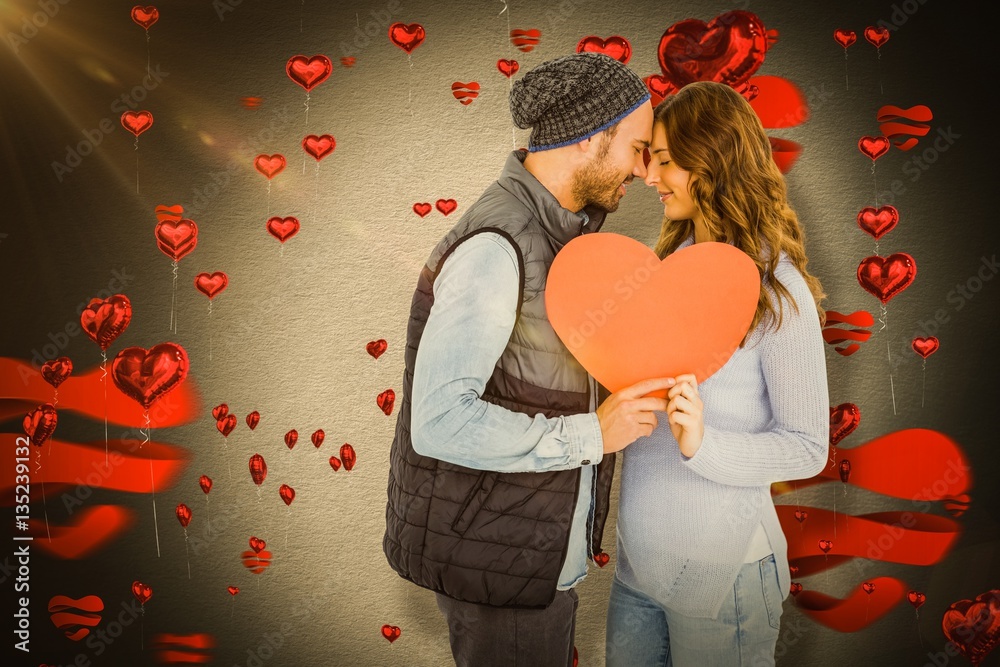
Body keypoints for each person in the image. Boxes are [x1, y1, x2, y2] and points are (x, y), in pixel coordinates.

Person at [383, 52, 674, 666]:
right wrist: (593, 433)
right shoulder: (500, 247)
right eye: (638, 147)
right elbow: (440, 421)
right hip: (502, 572)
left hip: (523, 565)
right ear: (593, 140)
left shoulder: (555, 238)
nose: (645, 171)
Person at [605, 81, 830, 666]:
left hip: (725, 576)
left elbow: (808, 448)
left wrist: (705, 445)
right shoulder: (662, 272)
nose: (649, 179)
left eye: (664, 162)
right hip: (638, 568)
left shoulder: (778, 291)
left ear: (711, 160)